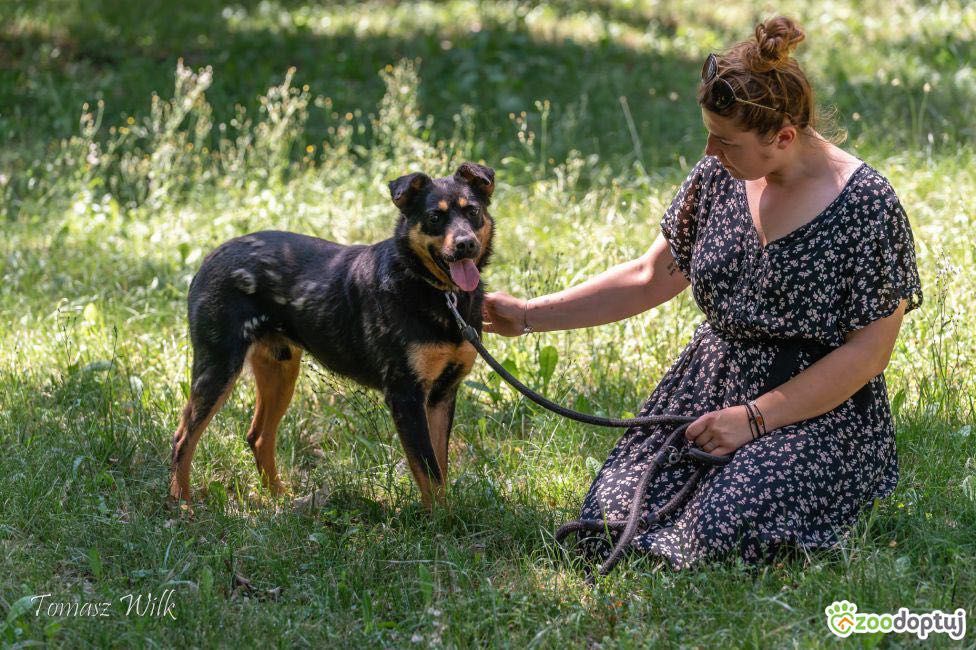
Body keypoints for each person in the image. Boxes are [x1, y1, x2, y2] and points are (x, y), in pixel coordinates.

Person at [482, 16, 923, 569]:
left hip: (816, 408)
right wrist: (526, 314)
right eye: (709, 134)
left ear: (783, 137)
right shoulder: (721, 175)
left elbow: (869, 352)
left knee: (722, 528)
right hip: (708, 387)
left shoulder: (866, 205)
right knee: (612, 514)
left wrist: (753, 419)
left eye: (726, 140)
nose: (710, 151)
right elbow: (649, 277)